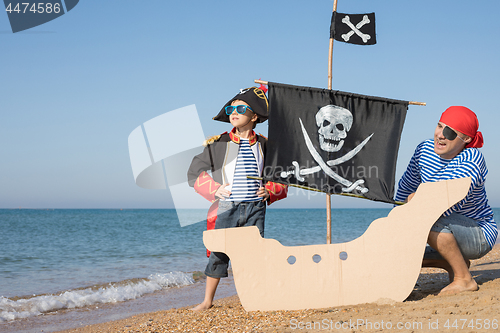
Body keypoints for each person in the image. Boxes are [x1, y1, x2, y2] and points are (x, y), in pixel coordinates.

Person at [187, 86, 288, 311]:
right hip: (227, 207)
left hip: (255, 207)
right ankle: (207, 301)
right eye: (231, 108)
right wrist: (213, 189)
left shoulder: (264, 144)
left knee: (253, 254)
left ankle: (254, 298)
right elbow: (194, 171)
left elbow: (282, 174)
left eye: (241, 108)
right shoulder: (220, 142)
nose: (234, 112)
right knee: (218, 254)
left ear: (254, 117)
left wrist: (270, 191)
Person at [395, 106, 497, 295]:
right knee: (397, 253)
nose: (440, 135)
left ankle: (464, 279)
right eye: (440, 126)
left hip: (477, 234)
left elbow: (442, 204)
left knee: (429, 219)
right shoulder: (424, 150)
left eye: (449, 132)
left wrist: (414, 202)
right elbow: (406, 187)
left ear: (465, 139)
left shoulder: (472, 159)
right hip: (442, 224)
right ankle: (453, 262)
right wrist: (397, 222)